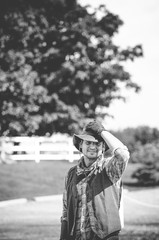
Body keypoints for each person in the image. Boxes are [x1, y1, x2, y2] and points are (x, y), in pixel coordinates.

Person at [60, 120, 130, 240]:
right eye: (88, 143)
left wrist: (101, 131)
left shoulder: (109, 168)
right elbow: (66, 211)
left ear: (103, 147)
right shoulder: (71, 174)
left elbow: (123, 155)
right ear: (81, 145)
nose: (92, 147)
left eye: (97, 144)